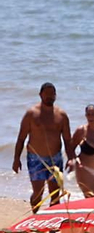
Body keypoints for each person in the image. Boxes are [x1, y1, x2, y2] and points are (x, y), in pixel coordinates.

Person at [13, 83, 73, 213]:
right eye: (47, 94)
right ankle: (35, 215)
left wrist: (71, 159)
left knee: (55, 194)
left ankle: (52, 223)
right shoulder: (31, 114)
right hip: (35, 159)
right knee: (38, 193)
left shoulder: (61, 115)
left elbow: (68, 140)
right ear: (40, 95)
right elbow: (21, 138)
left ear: (55, 95)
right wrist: (16, 159)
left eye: (52, 94)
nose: (50, 96)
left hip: (55, 159)